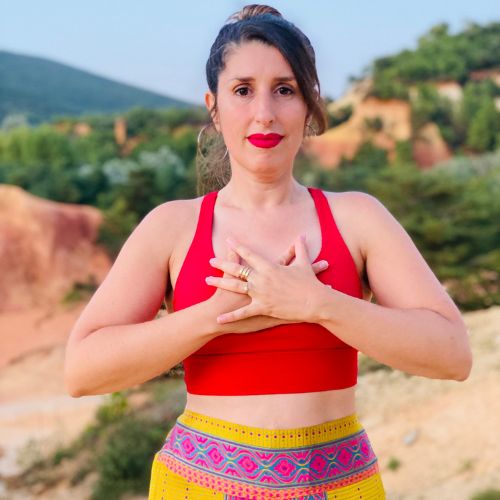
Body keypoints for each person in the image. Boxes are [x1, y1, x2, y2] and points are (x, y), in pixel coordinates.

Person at [64, 4, 473, 499]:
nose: (265, 113)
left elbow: (453, 355)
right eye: (243, 90)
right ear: (214, 107)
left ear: (310, 105)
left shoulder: (358, 218)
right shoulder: (171, 227)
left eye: (285, 89)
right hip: (199, 487)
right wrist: (215, 316)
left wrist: (318, 304)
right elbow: (82, 370)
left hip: (339, 486)